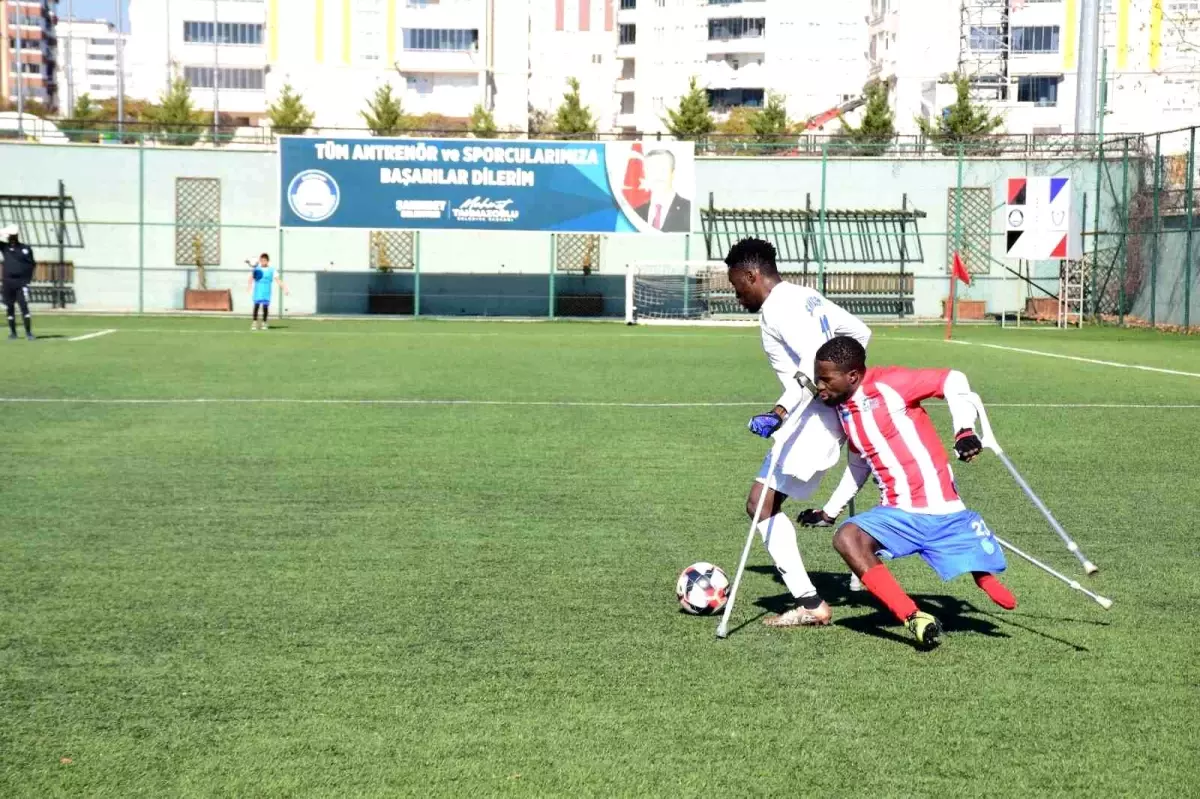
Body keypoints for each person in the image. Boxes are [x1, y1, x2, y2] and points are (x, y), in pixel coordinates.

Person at [800, 336, 1017, 648]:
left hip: (942, 508)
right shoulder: (844, 409)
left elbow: (953, 378)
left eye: (825, 379)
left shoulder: (890, 383)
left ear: (852, 375)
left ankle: (982, 575)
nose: (819, 386)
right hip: (897, 512)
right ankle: (914, 617)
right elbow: (861, 464)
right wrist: (829, 511)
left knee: (977, 567)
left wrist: (964, 430)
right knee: (847, 538)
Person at [725, 237, 872, 627]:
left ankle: (810, 603)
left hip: (812, 420)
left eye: (736, 285)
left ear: (751, 275)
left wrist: (781, 409)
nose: (737, 295)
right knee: (763, 503)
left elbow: (812, 357)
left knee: (760, 504)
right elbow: (860, 333)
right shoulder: (805, 295)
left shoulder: (777, 309)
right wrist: (847, 385)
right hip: (827, 411)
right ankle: (847, 577)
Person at [634, 149, 691, 233]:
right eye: (652, 170)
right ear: (645, 174)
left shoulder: (688, 208)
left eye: (663, 169)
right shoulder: (636, 213)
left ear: (673, 173)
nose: (658, 175)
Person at [1, 224, 36, 341]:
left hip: (21, 282)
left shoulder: (25, 248)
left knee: (24, 306)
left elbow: (32, 264)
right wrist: (3, 231)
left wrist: (27, 280)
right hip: (8, 282)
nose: (9, 238)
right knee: (9, 307)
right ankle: (13, 333)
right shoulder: (4, 248)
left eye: (11, 235)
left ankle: (29, 332)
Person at [247, 253, 286, 330]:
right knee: (256, 306)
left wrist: (284, 288)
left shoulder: (272, 270)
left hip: (266, 291)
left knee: (265, 307)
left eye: (264, 260)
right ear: (260, 261)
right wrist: (249, 286)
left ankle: (264, 322)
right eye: (261, 260)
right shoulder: (257, 269)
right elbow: (251, 278)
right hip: (258, 291)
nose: (263, 262)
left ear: (268, 261)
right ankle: (254, 322)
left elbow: (278, 280)